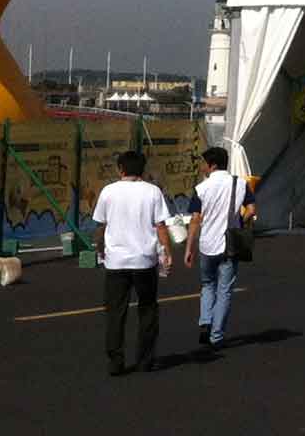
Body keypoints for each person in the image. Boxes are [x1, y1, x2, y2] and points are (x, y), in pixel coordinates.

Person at [91, 149, 173, 376]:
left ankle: (115, 361)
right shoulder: (152, 191)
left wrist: (100, 249)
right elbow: (160, 226)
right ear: (143, 169)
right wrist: (166, 252)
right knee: (148, 310)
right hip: (144, 260)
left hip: (116, 261)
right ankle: (145, 360)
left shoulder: (108, 191)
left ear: (121, 169)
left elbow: (101, 226)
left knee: (115, 313)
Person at [184, 145, 250, 359]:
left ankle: (205, 320)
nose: (202, 166)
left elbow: (195, 219)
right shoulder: (240, 184)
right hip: (230, 244)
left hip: (207, 244)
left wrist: (189, 247)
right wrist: (239, 222)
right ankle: (216, 335)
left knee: (207, 285)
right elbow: (251, 209)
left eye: (203, 163)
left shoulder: (201, 188)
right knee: (224, 291)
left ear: (211, 165)